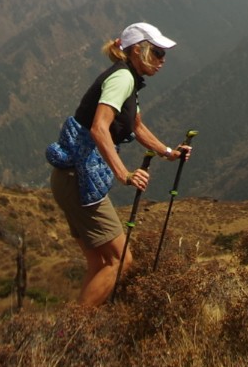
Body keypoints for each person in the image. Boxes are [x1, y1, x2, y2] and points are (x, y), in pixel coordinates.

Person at [45, 22, 190, 307]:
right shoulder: (122, 79)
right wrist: (124, 175)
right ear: (138, 50)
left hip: (70, 179)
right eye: (158, 52)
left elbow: (134, 125)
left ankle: (70, 332)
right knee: (121, 261)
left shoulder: (128, 79)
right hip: (79, 183)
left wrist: (167, 151)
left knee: (100, 263)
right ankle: (73, 333)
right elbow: (100, 128)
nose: (163, 61)